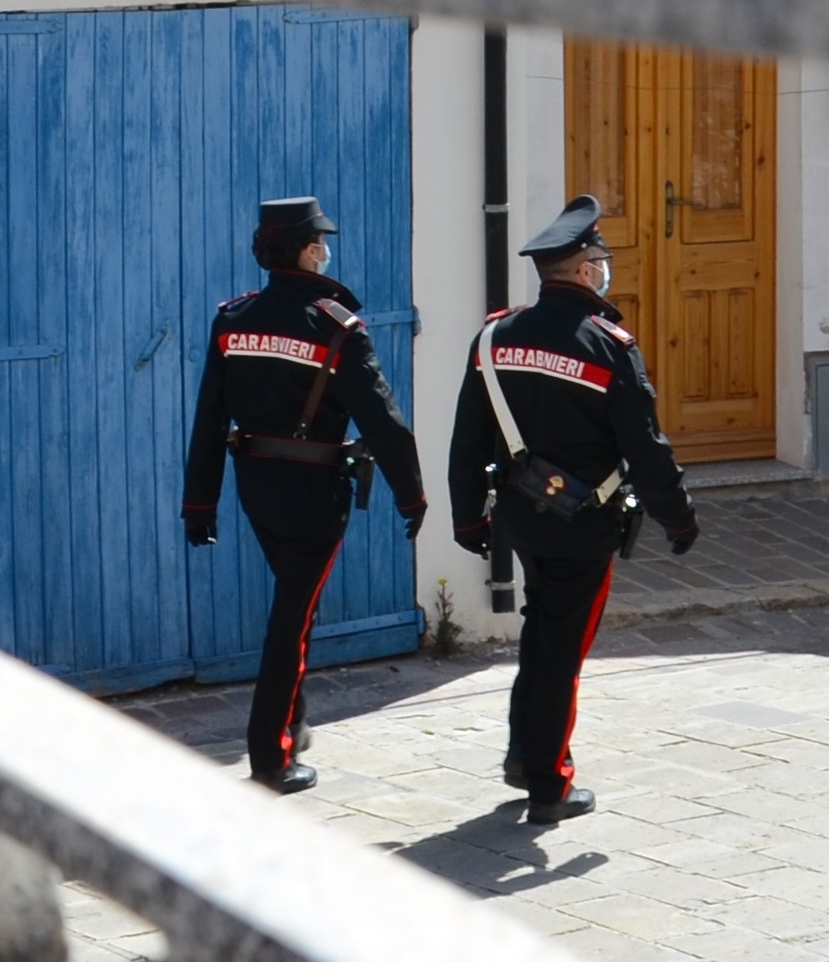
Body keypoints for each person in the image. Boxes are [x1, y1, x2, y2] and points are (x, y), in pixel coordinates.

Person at [447, 194, 698, 824]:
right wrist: (679, 516)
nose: (606, 267)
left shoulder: (495, 336)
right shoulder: (608, 344)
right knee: (561, 650)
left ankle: (522, 753)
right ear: (584, 269)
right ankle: (549, 784)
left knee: (542, 630)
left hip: (521, 519)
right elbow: (647, 446)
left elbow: (466, 438)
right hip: (584, 526)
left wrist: (467, 516)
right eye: (602, 257)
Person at [182, 196, 427, 795]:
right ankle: (271, 754)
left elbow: (209, 416)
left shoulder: (234, 320)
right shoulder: (336, 326)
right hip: (316, 497)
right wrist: (411, 494)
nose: (328, 251)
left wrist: (201, 502)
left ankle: (293, 719)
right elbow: (383, 419)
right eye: (322, 242)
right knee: (290, 620)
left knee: (297, 607)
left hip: (255, 489)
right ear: (309, 249)